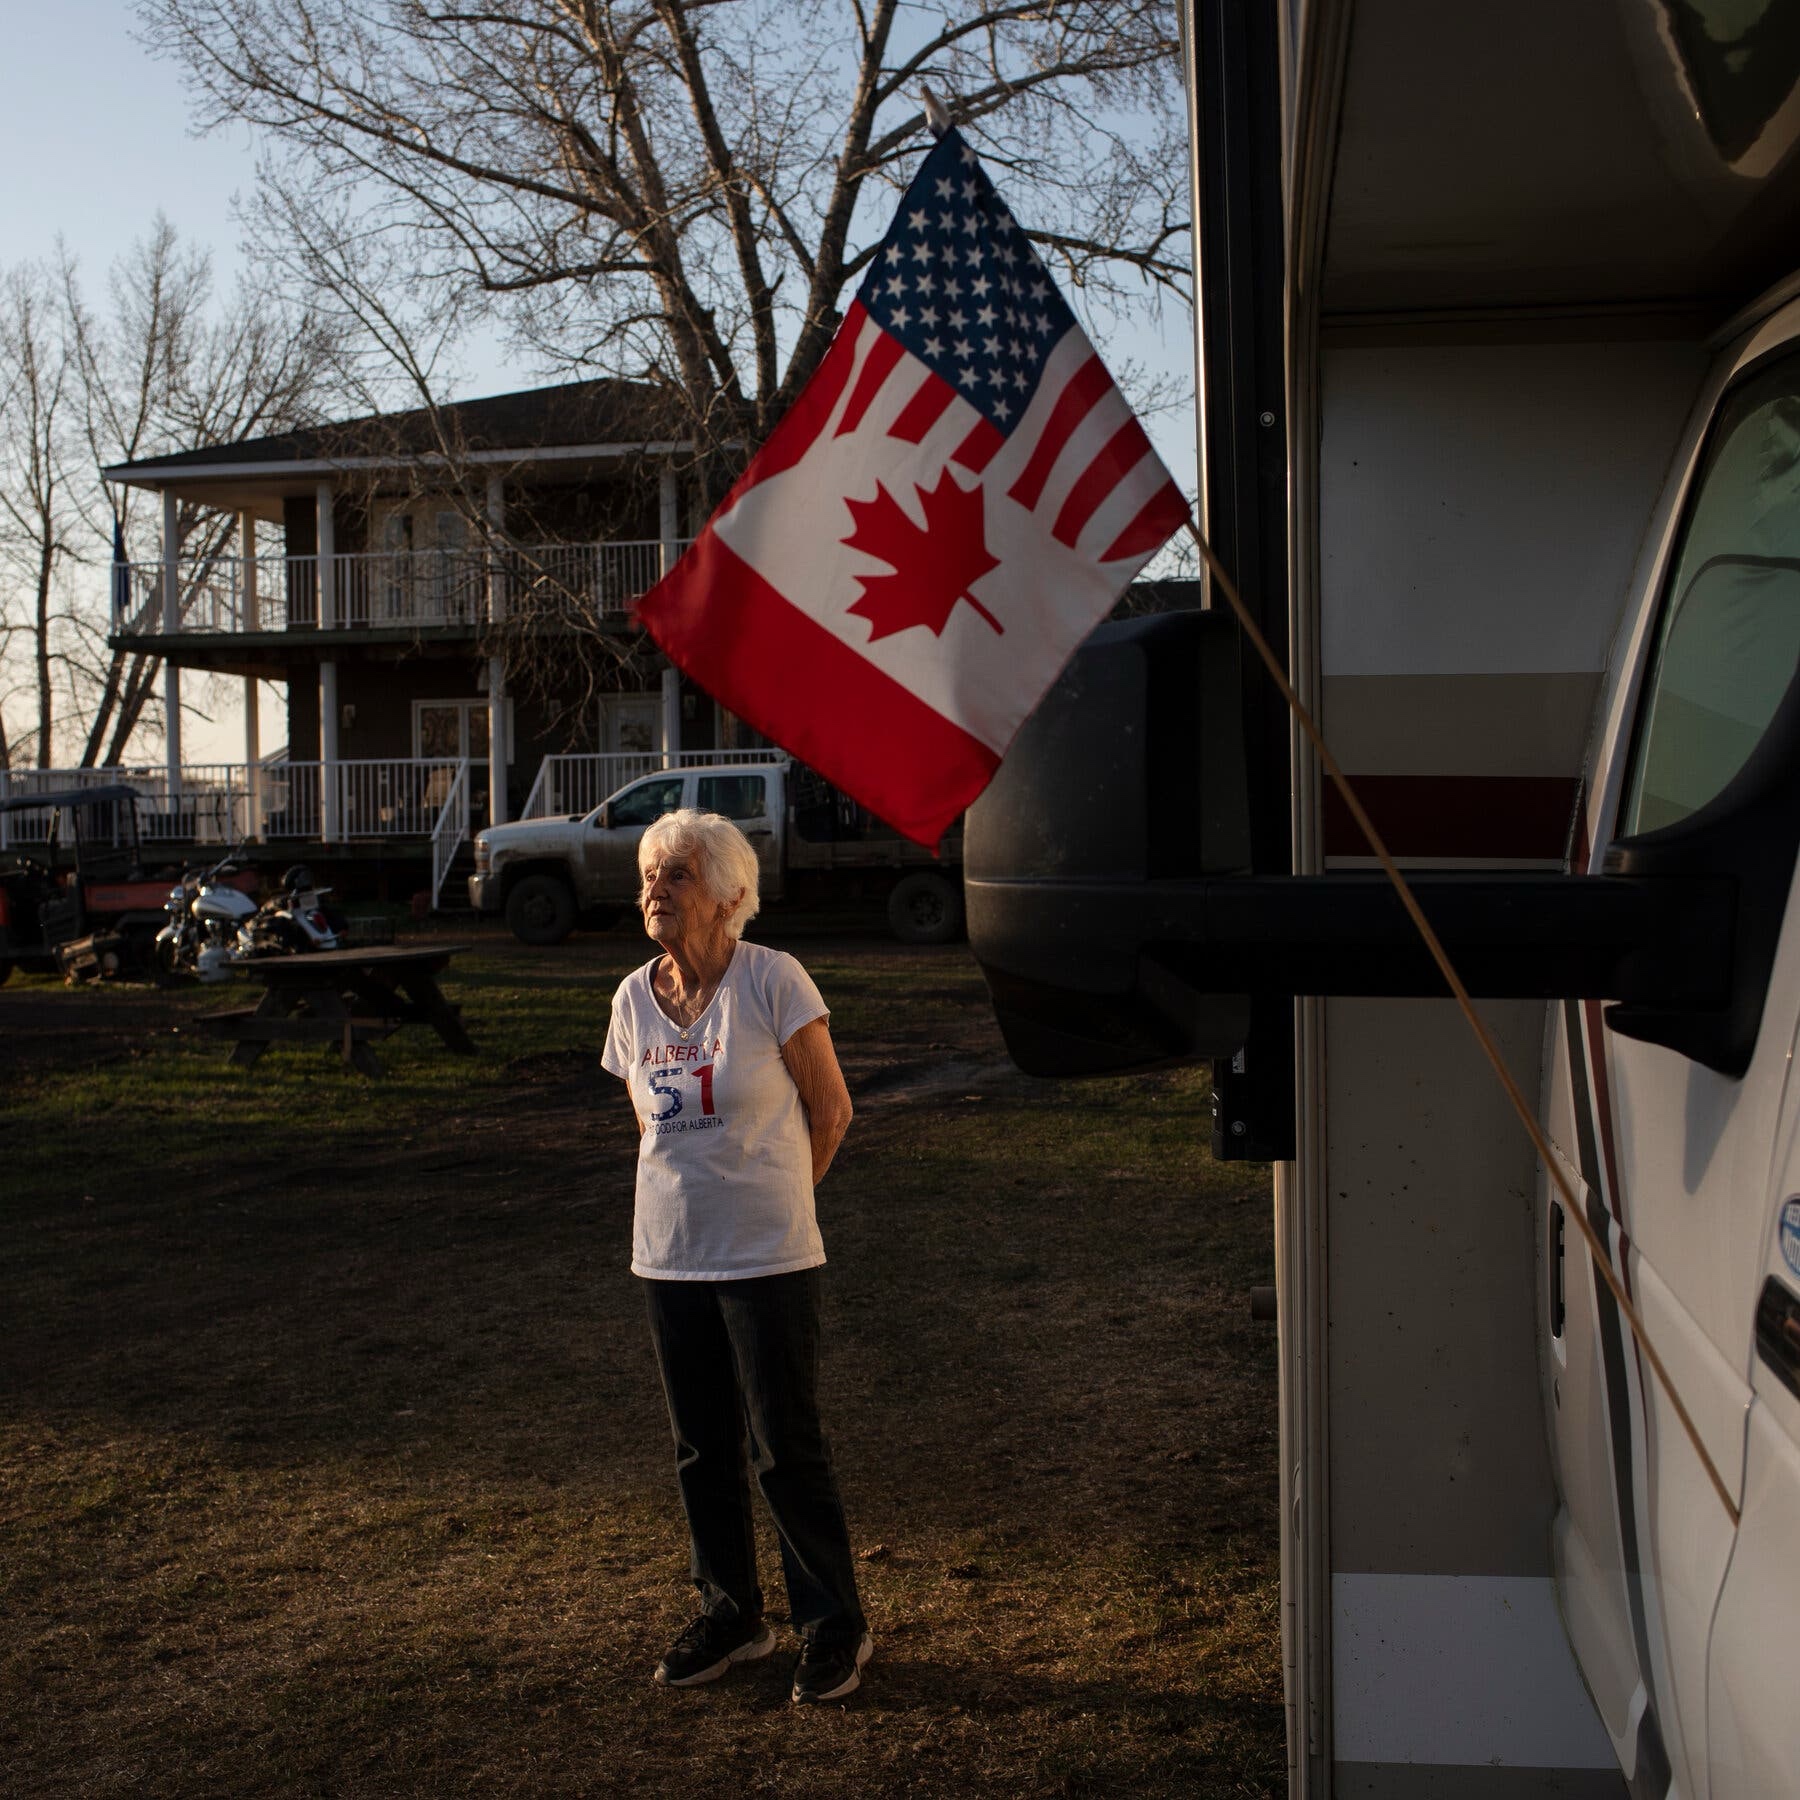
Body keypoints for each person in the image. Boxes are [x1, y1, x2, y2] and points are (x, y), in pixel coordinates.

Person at [600, 807, 871, 1703]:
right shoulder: (633, 998)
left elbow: (830, 1111)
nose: (655, 888)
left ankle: (831, 1624)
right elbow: (648, 1124)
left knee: (783, 1447)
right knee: (699, 1446)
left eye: (676, 874)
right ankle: (731, 1612)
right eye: (649, 873)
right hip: (669, 1257)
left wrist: (776, 1200)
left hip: (768, 1256)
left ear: (730, 894)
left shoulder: (773, 981)